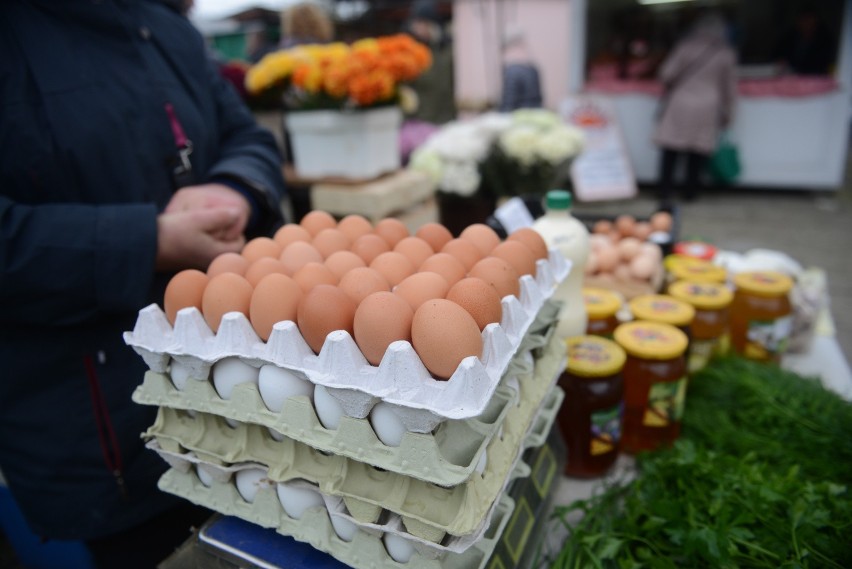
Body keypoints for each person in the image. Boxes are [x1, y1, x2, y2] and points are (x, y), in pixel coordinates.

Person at [0, 2, 286, 568]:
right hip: (105, 437)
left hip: (241, 419)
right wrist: (145, 241)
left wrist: (236, 189)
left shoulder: (164, 28)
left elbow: (246, 135)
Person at [653, 12, 737, 205]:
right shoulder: (725, 53)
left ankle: (665, 190)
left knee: (671, 149)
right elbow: (730, 89)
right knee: (697, 151)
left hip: (680, 101)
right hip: (707, 105)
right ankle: (691, 191)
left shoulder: (685, 47)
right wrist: (729, 112)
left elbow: (665, 74)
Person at [404, 0, 456, 125]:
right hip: (421, 119)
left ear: (431, 24)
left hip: (447, 117)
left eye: (421, 23)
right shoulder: (411, 51)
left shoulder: (446, 48)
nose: (416, 28)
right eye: (416, 23)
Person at [774, 7, 836, 76]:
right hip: (791, 75)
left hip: (815, 77)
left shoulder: (825, 39)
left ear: (816, 21)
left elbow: (823, 64)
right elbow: (778, 54)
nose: (806, 24)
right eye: (803, 20)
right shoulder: (790, 36)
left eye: (809, 19)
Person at [499, 26, 543, 112]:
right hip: (534, 116)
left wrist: (501, 116)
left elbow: (509, 103)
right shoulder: (533, 68)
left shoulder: (512, 70)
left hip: (517, 118)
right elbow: (539, 99)